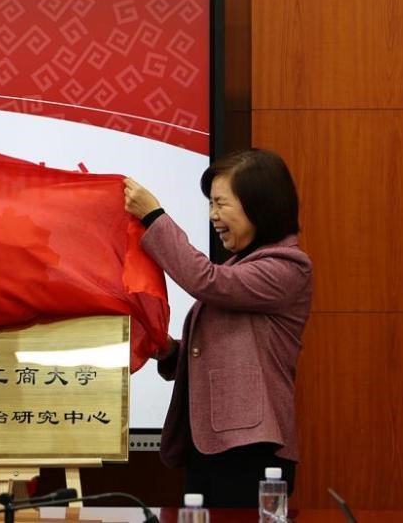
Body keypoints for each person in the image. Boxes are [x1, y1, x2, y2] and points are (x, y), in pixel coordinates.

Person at [123, 149, 312, 508]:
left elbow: (206, 281)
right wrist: (171, 352)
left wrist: (154, 216)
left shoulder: (288, 267)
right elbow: (224, 353)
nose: (213, 216)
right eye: (211, 204)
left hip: (252, 450)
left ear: (260, 206)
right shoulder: (243, 266)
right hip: (211, 446)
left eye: (221, 204)